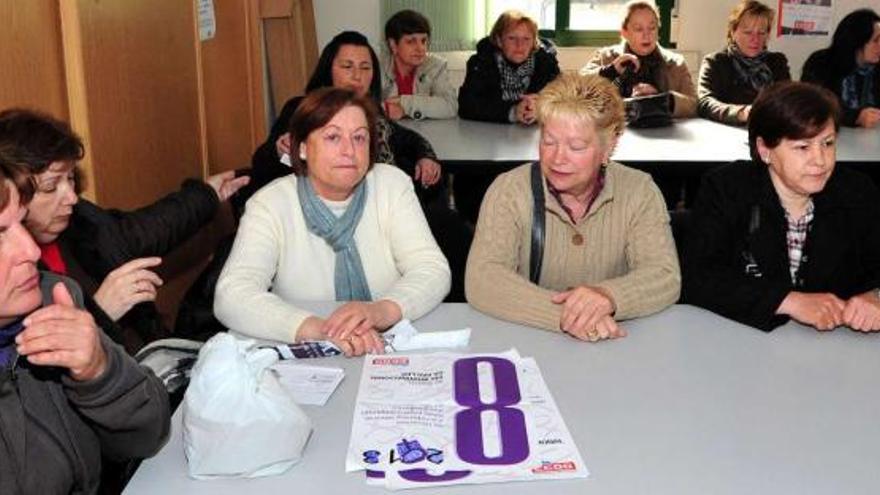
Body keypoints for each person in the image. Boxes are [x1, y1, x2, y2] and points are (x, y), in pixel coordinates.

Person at [215, 88, 450, 356]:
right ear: (302, 148)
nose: (349, 150)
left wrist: (379, 311)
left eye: (359, 138)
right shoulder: (271, 204)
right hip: (309, 352)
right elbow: (232, 294)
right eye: (333, 137)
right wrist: (319, 329)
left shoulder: (391, 185)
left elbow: (432, 269)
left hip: (390, 346)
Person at [0, 109, 249, 353]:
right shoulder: (14, 271)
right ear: (13, 191)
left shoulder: (82, 222)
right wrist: (102, 311)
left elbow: (146, 228)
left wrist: (207, 195)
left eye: (71, 179)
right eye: (52, 186)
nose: (72, 197)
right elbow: (34, 376)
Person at [465, 74, 680, 341]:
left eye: (576, 146)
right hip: (527, 342)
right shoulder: (509, 190)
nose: (557, 158)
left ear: (608, 146)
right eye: (548, 141)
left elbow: (663, 274)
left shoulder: (639, 191)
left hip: (615, 346)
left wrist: (609, 296)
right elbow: (483, 279)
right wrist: (570, 316)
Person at [0, 170, 170, 494]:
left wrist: (100, 372)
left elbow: (150, 433)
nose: (32, 252)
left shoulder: (54, 298)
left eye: (22, 223)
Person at [681, 82, 880, 332]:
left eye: (828, 143)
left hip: (836, 351)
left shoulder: (856, 192)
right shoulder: (728, 189)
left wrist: (875, 296)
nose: (820, 160)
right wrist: (786, 301)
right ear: (765, 149)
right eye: (802, 147)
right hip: (742, 344)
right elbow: (696, 277)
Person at [245, 31, 443, 205]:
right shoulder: (302, 109)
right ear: (328, 70)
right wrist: (279, 150)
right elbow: (261, 164)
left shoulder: (372, 111)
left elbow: (405, 137)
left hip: (383, 205)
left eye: (365, 68)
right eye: (347, 66)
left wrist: (426, 156)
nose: (357, 76)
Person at [581, 0, 696, 118]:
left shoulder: (676, 63)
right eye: (638, 29)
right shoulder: (606, 56)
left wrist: (662, 99)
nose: (647, 35)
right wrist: (611, 70)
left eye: (652, 28)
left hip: (665, 132)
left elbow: (693, 105)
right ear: (624, 32)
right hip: (617, 130)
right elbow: (577, 87)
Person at [458, 10, 561, 124]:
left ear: (534, 42)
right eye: (512, 38)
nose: (519, 45)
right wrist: (512, 112)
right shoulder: (481, 62)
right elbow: (466, 105)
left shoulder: (546, 64)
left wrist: (541, 108)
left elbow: (565, 101)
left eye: (526, 39)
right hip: (490, 136)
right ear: (499, 40)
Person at [697, 0, 790, 125]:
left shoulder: (777, 62)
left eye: (761, 33)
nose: (755, 39)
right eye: (748, 32)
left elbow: (789, 100)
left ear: (767, 35)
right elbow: (704, 103)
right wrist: (741, 113)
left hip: (771, 132)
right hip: (728, 132)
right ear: (733, 32)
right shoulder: (716, 62)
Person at [802, 8, 880, 128]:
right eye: (876, 40)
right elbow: (813, 105)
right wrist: (855, 117)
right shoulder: (821, 63)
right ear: (856, 40)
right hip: (830, 136)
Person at [381, 9, 457, 120]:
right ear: (393, 44)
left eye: (423, 41)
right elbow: (364, 106)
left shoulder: (436, 66)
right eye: (411, 41)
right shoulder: (376, 67)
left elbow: (450, 106)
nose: (420, 48)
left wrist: (405, 103)